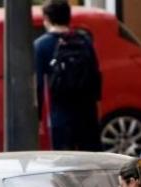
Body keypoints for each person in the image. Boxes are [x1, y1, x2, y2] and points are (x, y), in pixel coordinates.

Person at [34, 0, 102, 151]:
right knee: (92, 162)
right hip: (88, 113)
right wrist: (98, 106)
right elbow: (96, 74)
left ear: (47, 18)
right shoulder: (84, 40)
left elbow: (38, 85)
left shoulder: (41, 45)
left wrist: (38, 119)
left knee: (64, 164)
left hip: (61, 115)